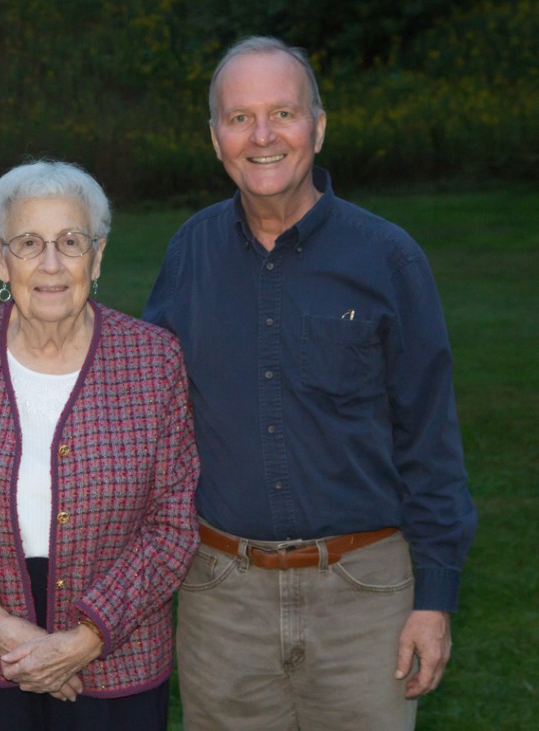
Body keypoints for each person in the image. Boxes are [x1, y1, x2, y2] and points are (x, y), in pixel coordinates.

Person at [143, 36, 478, 730]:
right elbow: (147, 421)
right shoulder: (188, 256)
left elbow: (430, 439)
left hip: (364, 601)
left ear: (318, 128)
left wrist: (434, 598)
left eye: (283, 113)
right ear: (215, 139)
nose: (262, 136)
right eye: (239, 118)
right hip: (223, 601)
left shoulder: (388, 259)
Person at [0, 160, 200, 731]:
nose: (52, 264)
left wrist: (87, 637)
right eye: (29, 243)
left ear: (97, 257)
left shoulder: (153, 360)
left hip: (117, 662)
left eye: (71, 242)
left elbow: (173, 525)